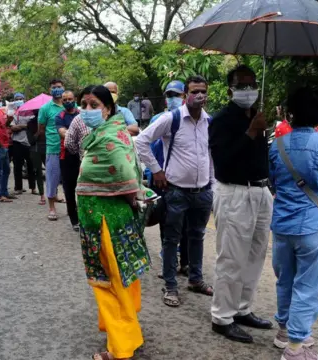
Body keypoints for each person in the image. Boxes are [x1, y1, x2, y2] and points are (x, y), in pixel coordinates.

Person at [75, 85, 150, 360]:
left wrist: (131, 195)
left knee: (109, 282)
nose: (87, 110)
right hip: (111, 218)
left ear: (108, 107)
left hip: (105, 220)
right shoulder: (111, 133)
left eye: (94, 105)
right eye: (84, 104)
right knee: (121, 279)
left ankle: (120, 348)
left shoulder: (110, 138)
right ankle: (128, 332)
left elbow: (124, 173)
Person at [269, 87, 318, 360]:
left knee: (285, 280)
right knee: (308, 285)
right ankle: (296, 349)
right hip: (314, 226)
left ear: (291, 114)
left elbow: (273, 183)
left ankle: (284, 332)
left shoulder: (277, 146)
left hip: (282, 226)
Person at [136, 75, 214, 309]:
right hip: (176, 191)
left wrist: (213, 183)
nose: (198, 95)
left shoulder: (209, 121)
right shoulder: (173, 118)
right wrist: (157, 171)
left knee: (197, 236)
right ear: (185, 95)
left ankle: (195, 279)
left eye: (202, 91)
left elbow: (210, 156)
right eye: (193, 91)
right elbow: (141, 141)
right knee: (171, 239)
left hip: (203, 191)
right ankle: (170, 285)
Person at [209, 65, 273, 343]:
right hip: (234, 192)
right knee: (232, 257)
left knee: (255, 255)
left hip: (261, 192)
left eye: (252, 84)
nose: (248, 90)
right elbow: (223, 160)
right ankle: (222, 316)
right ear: (230, 89)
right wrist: (249, 133)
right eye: (242, 85)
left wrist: (260, 130)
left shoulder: (258, 117)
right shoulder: (221, 120)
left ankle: (242, 308)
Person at [145, 80, 190, 278]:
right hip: (162, 179)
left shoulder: (193, 120)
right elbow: (147, 146)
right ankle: (169, 261)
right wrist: (153, 172)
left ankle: (186, 262)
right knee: (166, 222)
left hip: (184, 180)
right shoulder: (158, 119)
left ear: (184, 97)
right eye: (169, 95)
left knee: (187, 224)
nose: (172, 99)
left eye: (176, 95)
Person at [38, 79, 66, 221]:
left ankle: (72, 207)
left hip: (69, 149)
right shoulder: (45, 109)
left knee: (69, 180)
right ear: (50, 90)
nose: (57, 89)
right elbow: (41, 129)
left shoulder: (70, 106)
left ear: (64, 88)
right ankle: (52, 208)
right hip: (53, 148)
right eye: (54, 87)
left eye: (59, 87)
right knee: (52, 178)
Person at [56, 90, 81, 231]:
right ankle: (74, 220)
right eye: (64, 99)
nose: (67, 102)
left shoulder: (82, 114)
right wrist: (80, 133)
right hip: (66, 157)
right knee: (69, 189)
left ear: (75, 99)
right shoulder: (59, 116)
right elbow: (63, 133)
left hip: (83, 155)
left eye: (69, 99)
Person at [10, 93, 36, 196]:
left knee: (32, 166)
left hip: (30, 143)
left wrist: (20, 126)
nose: (19, 100)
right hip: (17, 142)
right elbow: (12, 128)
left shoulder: (32, 112)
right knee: (17, 166)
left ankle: (33, 188)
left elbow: (34, 126)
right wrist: (25, 126)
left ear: (25, 99)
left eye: (21, 98)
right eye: (17, 99)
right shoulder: (13, 113)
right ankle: (18, 188)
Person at [28, 110, 47, 205]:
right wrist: (38, 132)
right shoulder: (31, 123)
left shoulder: (49, 122)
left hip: (48, 149)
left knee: (52, 172)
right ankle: (42, 195)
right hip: (35, 150)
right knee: (38, 172)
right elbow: (30, 141)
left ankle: (54, 194)